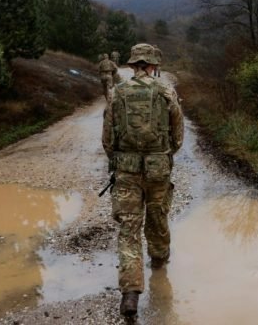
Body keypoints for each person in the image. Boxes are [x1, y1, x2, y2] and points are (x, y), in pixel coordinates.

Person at [102, 43, 184, 318]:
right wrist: (164, 154)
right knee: (158, 216)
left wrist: (119, 159)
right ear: (153, 65)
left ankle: (130, 294)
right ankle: (159, 262)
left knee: (129, 230)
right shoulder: (166, 91)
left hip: (126, 171)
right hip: (158, 168)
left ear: (132, 65)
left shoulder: (117, 93)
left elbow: (107, 140)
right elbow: (178, 135)